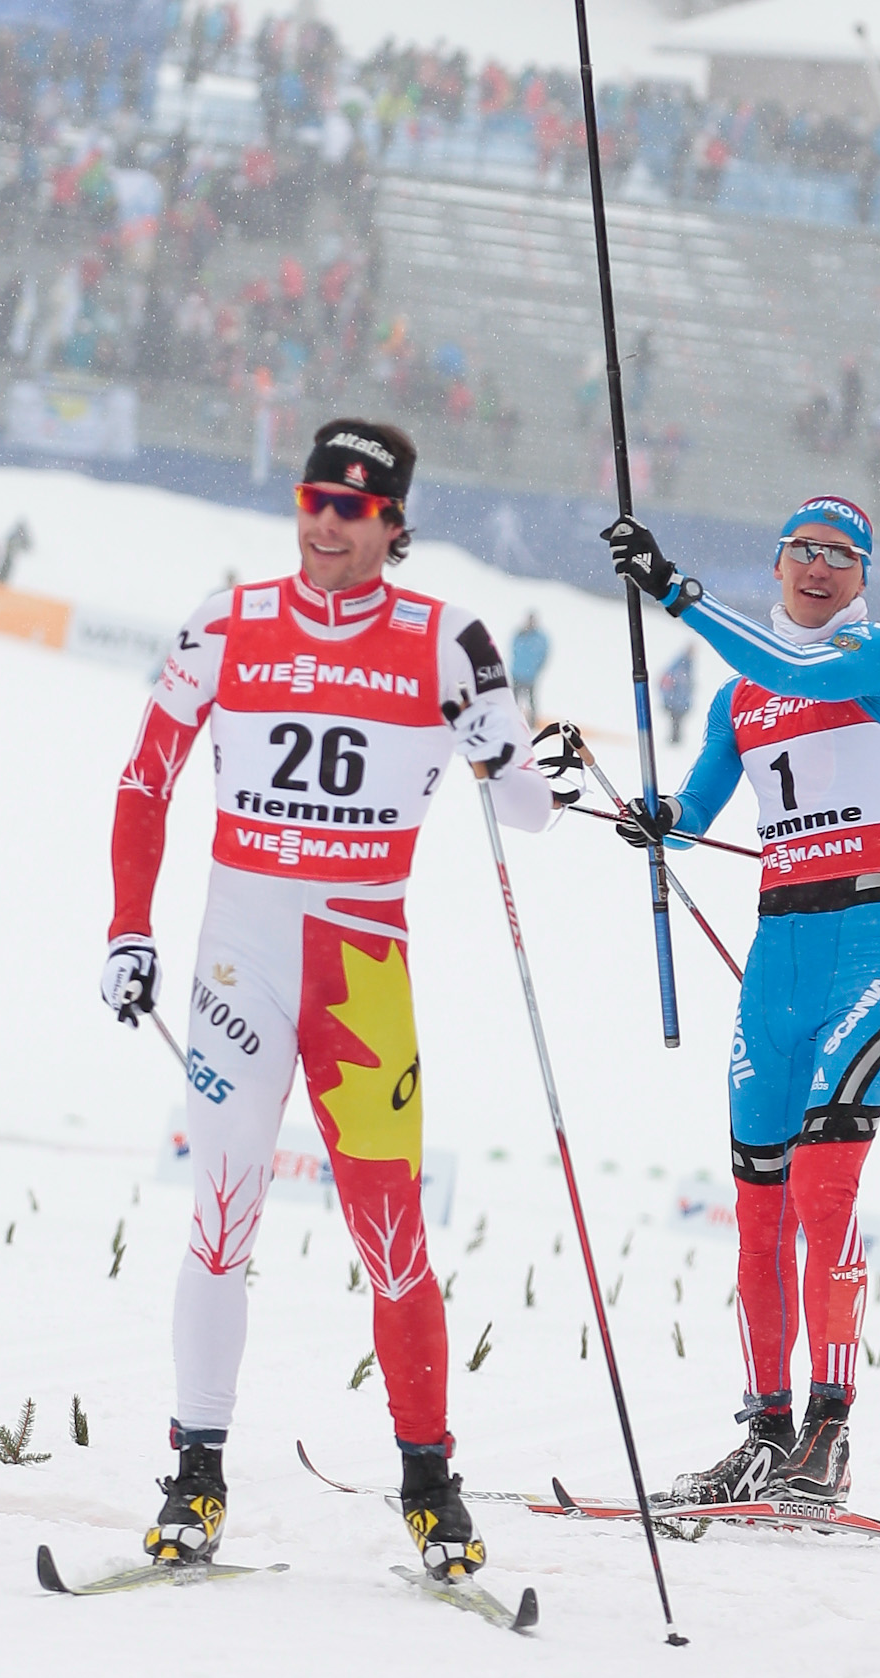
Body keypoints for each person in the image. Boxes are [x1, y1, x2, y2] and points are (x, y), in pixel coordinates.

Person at [101, 416, 551, 1579]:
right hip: (239, 965)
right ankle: (196, 1478)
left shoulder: (446, 638)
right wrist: (129, 929)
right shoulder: (226, 623)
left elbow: (529, 812)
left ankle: (428, 1485)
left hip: (361, 974)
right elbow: (146, 778)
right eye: (312, 498)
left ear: (392, 521)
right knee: (221, 1212)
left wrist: (513, 747)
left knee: (392, 1231)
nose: (322, 523)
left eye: (350, 508)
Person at [601, 494, 880, 1507]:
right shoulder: (739, 699)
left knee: (826, 1191)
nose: (820, 567)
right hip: (777, 955)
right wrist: (655, 818)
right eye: (804, 550)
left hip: (870, 949)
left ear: (862, 574)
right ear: (779, 560)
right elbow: (694, 812)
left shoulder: (877, 658)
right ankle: (765, 1430)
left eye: (842, 554)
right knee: (757, 1205)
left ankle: (829, 1432)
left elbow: (795, 668)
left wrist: (674, 592)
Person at [509, 606, 551, 727]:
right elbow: (514, 649)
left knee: (531, 700)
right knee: (515, 699)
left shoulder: (539, 638)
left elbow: (544, 654)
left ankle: (531, 722)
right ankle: (513, 719)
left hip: (530, 675)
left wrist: (537, 668)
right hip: (517, 672)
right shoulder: (520, 634)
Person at [657, 640, 695, 754]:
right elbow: (673, 681)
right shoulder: (681, 665)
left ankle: (675, 740)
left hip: (678, 701)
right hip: (676, 701)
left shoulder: (686, 665)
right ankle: (674, 741)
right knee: (676, 721)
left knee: (677, 721)